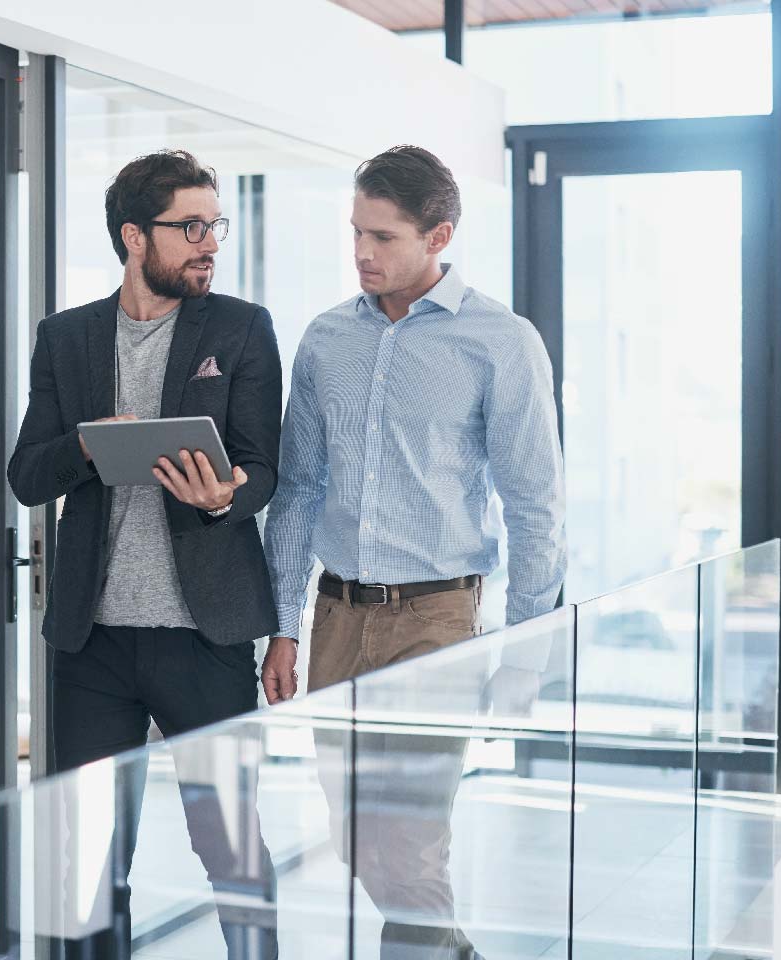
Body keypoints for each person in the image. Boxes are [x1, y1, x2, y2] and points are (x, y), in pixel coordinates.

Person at [261, 145, 566, 958]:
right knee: (356, 835)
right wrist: (283, 627)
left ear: (439, 236)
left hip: (436, 622)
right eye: (356, 232)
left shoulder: (500, 341)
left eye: (384, 237)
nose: (363, 253)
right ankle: (453, 950)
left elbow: (536, 507)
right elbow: (296, 491)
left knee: (412, 839)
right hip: (336, 618)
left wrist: (526, 658)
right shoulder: (327, 340)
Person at [8, 149, 281, 958]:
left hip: (207, 635)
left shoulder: (240, 329)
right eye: (190, 227)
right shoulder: (67, 338)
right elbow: (27, 475)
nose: (209, 243)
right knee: (87, 862)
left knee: (231, 851)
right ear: (135, 236)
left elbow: (264, 466)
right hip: (93, 644)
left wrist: (223, 495)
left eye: (214, 224)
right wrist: (90, 451)